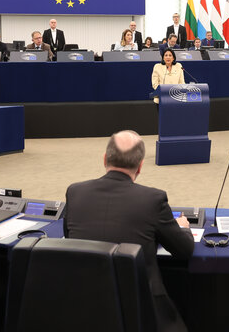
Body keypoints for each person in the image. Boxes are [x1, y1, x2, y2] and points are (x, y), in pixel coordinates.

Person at [63, 131, 194, 331]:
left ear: (105, 159)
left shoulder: (75, 192)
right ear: (140, 166)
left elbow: (69, 238)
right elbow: (184, 250)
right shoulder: (153, 199)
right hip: (141, 312)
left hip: (83, 309)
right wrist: (183, 228)